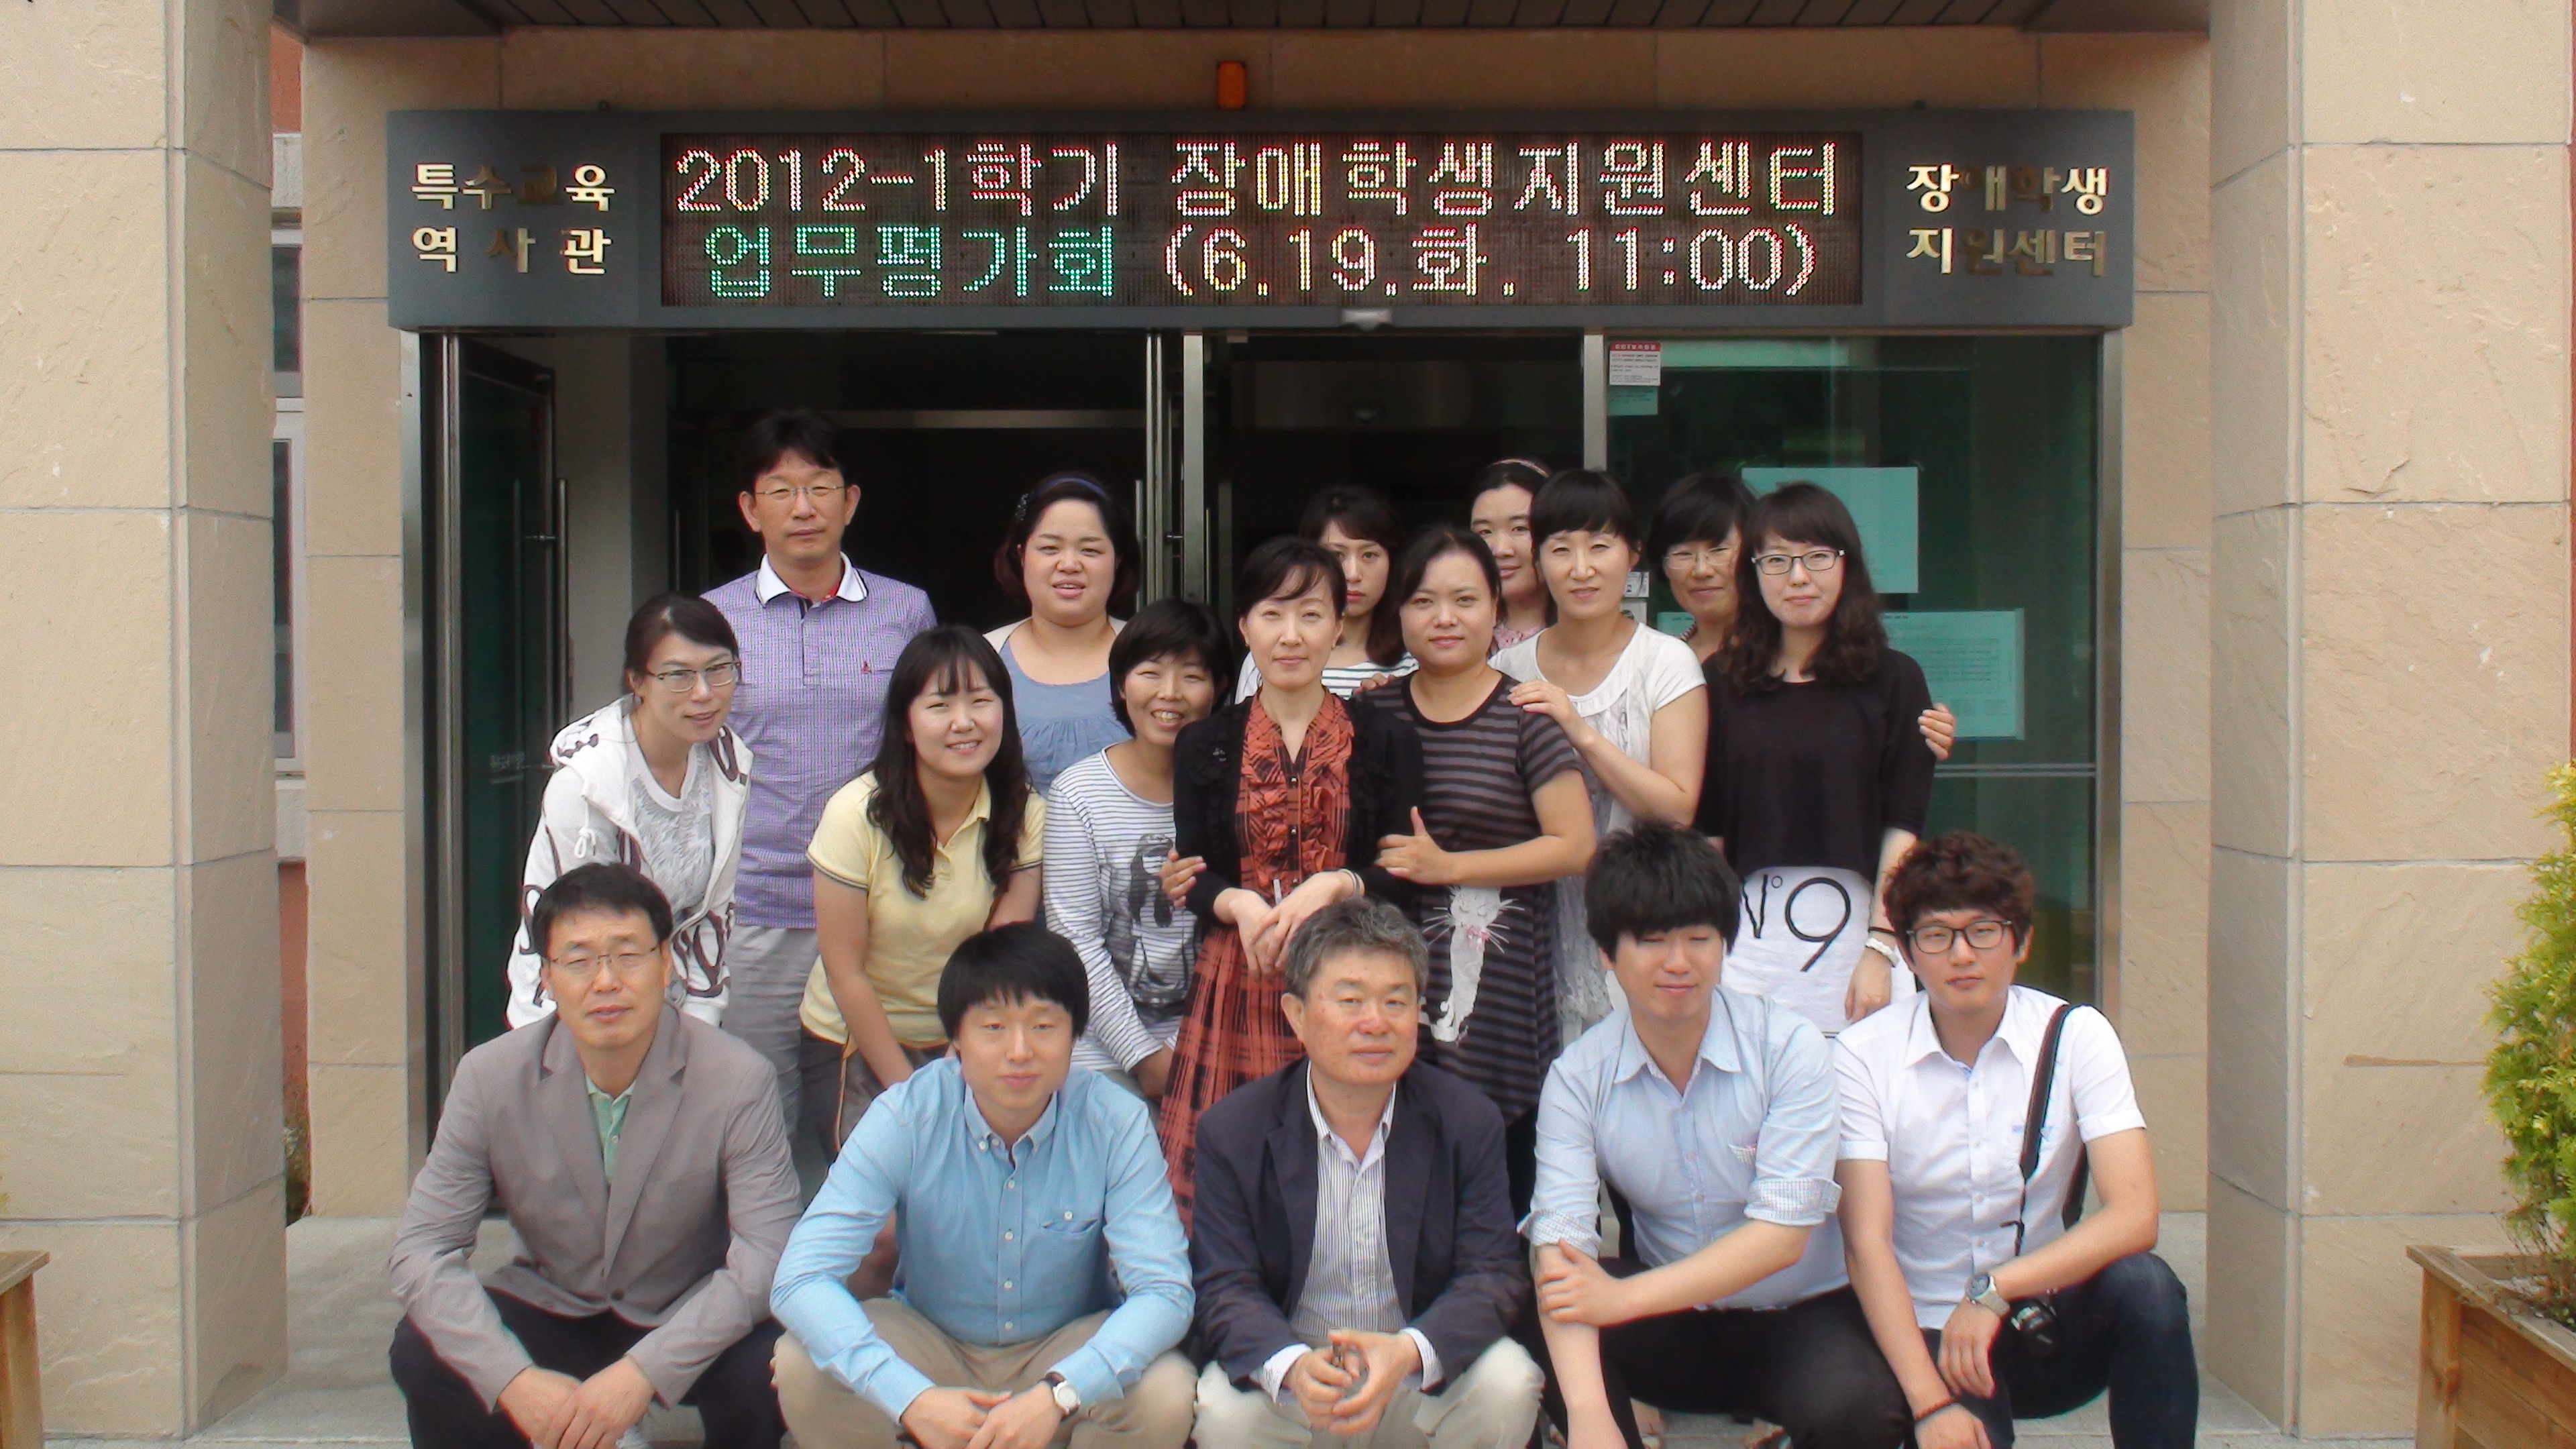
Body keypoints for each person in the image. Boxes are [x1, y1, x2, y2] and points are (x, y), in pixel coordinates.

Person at [1519, 822, 1910, 1449]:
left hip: (1799, 1317)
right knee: (1535, 1302)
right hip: (1673, 1319)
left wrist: (1621, 1300)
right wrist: (1589, 1416)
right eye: (1652, 941)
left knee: (1861, 1411)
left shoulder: (1789, 1047)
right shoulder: (1578, 1078)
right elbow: (1562, 1244)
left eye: (1699, 939)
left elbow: (1782, 1237)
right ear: (1606, 952)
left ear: (1725, 943)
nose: (1679, 963)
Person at [390, 863, 800, 1449]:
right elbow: (422, 1249)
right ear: (546, 977)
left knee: (775, 1360)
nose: (605, 982)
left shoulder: (737, 1078)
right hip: (555, 1304)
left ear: (666, 963)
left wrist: (644, 1372)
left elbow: (767, 1254)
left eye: (628, 956)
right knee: (422, 1347)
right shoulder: (489, 1077)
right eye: (578, 960)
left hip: (686, 1307)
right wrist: (512, 1380)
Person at [771, 923, 1198, 1449]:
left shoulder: (1116, 1121)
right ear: (956, 1038)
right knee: (801, 1364)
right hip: (932, 1342)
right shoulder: (907, 1115)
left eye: (1044, 1026)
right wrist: (909, 1397)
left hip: (1062, 1348)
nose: (1019, 1051)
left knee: (1165, 1391)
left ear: (1075, 1035)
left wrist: (1060, 1393)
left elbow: (1165, 1291)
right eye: (993, 1027)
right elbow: (800, 1277)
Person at [1836, 833, 2195, 1449]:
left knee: (2149, 1288)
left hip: (2043, 1318)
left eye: (1983, 931)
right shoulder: (1863, 1056)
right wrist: (1929, 1404)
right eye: (1936, 935)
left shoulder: (2077, 1035)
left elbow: (2136, 1216)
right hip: (1926, 1331)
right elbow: (1865, 1243)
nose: (1961, 955)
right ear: (1910, 955)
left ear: (2021, 942)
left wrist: (1996, 1290)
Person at [1188, 898, 1544, 1449]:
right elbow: (1224, 1285)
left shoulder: (1467, 1120)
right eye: (1350, 1000)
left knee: (1508, 1383)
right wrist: (1292, 1366)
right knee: (1224, 1413)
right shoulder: (1233, 1131)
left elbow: (1492, 1274)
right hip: (1299, 1380)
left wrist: (1408, 1351)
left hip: (1412, 1371)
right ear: (1296, 1016)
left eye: (1396, 1002)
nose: (1375, 1023)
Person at [1157, 536, 1425, 1222]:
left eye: (1311, 615)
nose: (1291, 635)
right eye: (1272, 614)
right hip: (1243, 973)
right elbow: (1193, 877)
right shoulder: (1204, 744)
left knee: (1346, 1175)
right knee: (1234, 1180)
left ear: (1338, 626)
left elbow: (1405, 874)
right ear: (1245, 626)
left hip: (1354, 975)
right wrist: (1238, 903)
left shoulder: (1385, 738)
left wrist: (1337, 886)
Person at [706, 411, 935, 1148]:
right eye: (781, 491)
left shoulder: (905, 610)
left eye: (820, 487)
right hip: (757, 905)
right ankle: (774, 1229)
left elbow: (931, 743)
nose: (802, 508)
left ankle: (858, 1229)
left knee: (868, 1107)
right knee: (756, 1107)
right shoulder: (712, 621)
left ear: (850, 501)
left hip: (879, 904)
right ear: (751, 509)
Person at [1360, 524, 1595, 1212]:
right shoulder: (1370, 713)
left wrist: (1447, 866)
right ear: (1400, 612)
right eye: (1424, 601)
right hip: (1388, 985)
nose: (1444, 618)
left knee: (1500, 1192)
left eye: (1464, 600)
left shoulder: (1525, 715)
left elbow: (1575, 846)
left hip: (1503, 996)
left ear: (1496, 606)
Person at [1695, 481, 1937, 1036]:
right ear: (1753, 573)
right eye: (1777, 560)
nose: (1798, 577)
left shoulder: (1895, 680)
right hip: (1748, 942)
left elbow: (1904, 825)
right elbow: (1709, 830)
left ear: (1846, 565)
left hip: (1861, 939)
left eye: (1817, 557)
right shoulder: (1722, 682)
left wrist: (1881, 946)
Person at [802, 627, 1044, 1173]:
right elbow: (845, 972)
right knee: (883, 1206)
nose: (964, 722)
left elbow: (997, 959)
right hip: (855, 1040)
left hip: (968, 1035)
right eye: (940, 706)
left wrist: (961, 1061)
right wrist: (913, 1095)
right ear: (906, 725)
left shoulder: (1024, 812)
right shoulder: (855, 815)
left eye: (981, 701)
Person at [1490, 469, 1707, 1041]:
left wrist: (1578, 729)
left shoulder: (1665, 663)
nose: (1581, 569)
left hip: (1642, 927)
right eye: (1561, 549)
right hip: (1533, 932)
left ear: (1632, 554)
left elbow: (1677, 808)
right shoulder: (1507, 670)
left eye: (1600, 546)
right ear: (1539, 561)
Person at [504, 594, 749, 1030]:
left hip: (671, 1006)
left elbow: (714, 911)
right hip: (576, 1014)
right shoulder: (585, 787)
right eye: (678, 675)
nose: (704, 693)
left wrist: (700, 1023)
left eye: (719, 669)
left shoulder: (727, 764)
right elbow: (580, 936)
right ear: (637, 681)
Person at [1046, 600, 1235, 1099]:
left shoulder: (1240, 790)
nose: (1169, 693)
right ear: (1120, 686)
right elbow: (1076, 940)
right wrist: (1145, 1058)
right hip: (1098, 1042)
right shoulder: (1078, 794)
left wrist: (1182, 1049)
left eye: (1192, 676)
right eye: (1150, 673)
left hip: (1219, 1035)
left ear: (1219, 689)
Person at [1653, 471, 1957, 752]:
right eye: (1682, 553)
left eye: (1719, 550)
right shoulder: (1664, 668)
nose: (1702, 570)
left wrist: (1923, 730)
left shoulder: (1879, 675)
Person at [984, 472, 1142, 795]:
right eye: (1050, 548)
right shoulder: (982, 659)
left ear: (1118, 559)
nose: (1069, 564)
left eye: (1090, 550)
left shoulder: (1150, 654)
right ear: (1021, 555)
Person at [1236, 485, 1415, 700]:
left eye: (1369, 555)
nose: (1352, 574)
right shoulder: (1270, 656)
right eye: (1337, 555)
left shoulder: (1415, 658)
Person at [1466, 458, 1553, 651]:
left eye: (1520, 528)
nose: (1501, 550)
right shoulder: (1453, 632)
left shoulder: (1584, 634)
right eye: (1485, 532)